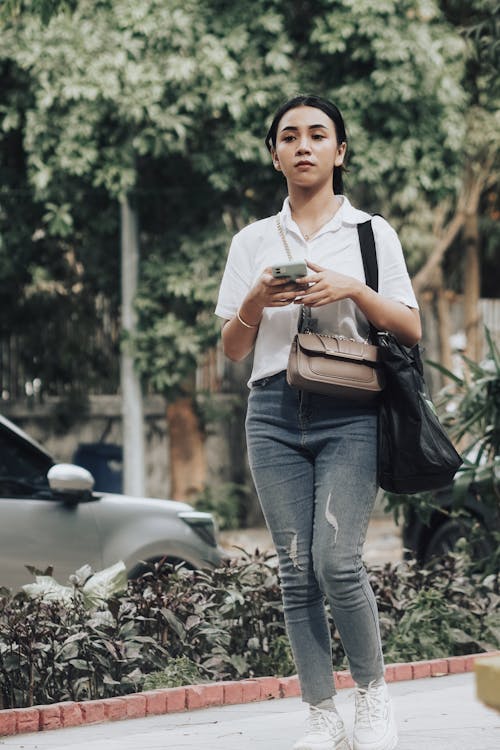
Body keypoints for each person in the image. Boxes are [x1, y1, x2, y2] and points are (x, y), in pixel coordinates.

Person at [215, 94, 421, 750]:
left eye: (318, 134)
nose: (303, 146)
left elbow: (412, 328)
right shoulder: (252, 241)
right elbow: (232, 348)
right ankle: (322, 716)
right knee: (296, 568)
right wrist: (254, 298)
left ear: (340, 150)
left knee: (337, 559)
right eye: (289, 136)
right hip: (272, 412)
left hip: (348, 410)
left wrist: (351, 290)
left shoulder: (369, 233)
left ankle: (375, 700)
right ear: (273, 153)